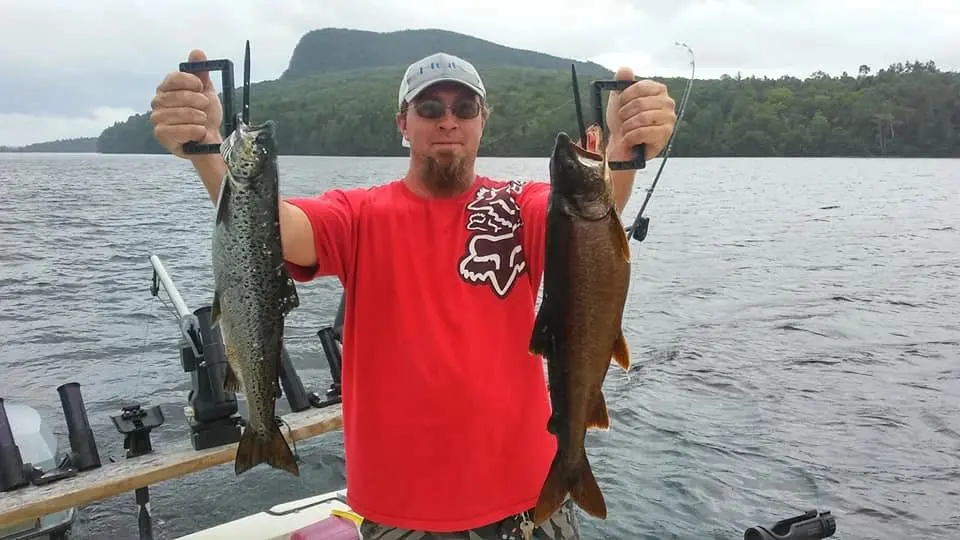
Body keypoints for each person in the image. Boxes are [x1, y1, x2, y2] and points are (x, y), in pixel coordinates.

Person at [151, 49, 677, 539]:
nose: (447, 118)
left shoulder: (521, 204)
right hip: (399, 513)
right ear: (403, 122)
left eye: (464, 106)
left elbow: (589, 226)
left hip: (532, 497)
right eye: (429, 106)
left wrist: (621, 152)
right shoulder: (357, 213)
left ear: (482, 119)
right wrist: (209, 152)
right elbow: (267, 226)